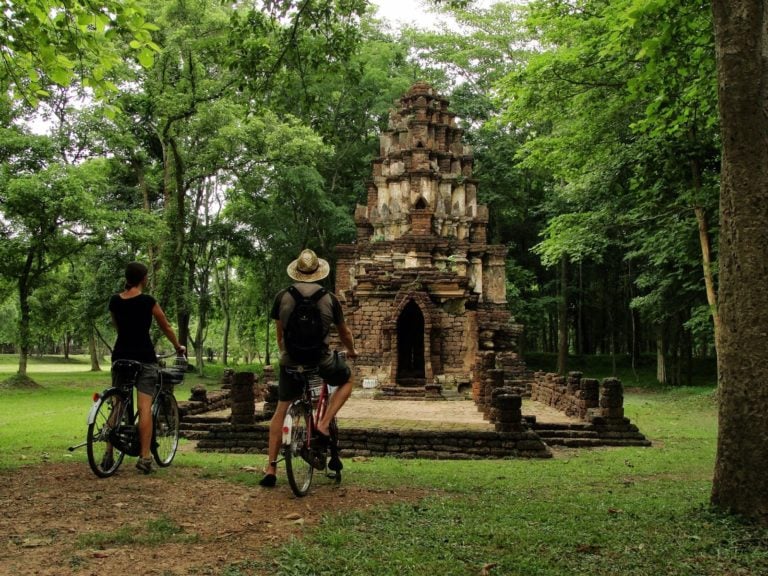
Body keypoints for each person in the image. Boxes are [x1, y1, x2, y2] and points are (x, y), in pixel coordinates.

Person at [260, 249, 358, 488]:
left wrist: (287, 355)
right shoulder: (329, 298)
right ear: (318, 272)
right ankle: (323, 425)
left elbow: (279, 335)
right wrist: (352, 350)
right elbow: (344, 332)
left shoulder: (282, 296)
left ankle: (271, 467)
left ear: (298, 272)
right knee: (347, 380)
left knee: (280, 410)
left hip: (290, 361)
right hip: (320, 360)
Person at [108, 261, 186, 474]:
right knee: (144, 408)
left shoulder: (115, 301)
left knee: (117, 404)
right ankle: (145, 457)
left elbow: (117, 325)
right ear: (143, 279)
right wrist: (178, 346)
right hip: (144, 358)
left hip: (120, 356)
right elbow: (166, 326)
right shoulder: (147, 301)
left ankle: (108, 453)